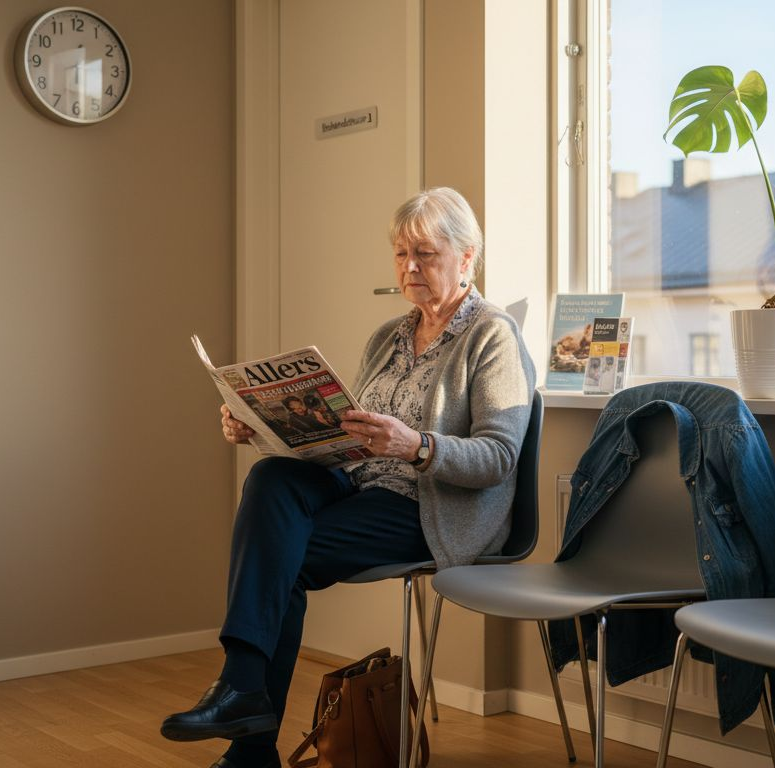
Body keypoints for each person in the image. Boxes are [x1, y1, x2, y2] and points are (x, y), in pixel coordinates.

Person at [160, 187, 537, 768]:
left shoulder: (494, 337)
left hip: (429, 505)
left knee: (278, 560)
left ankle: (247, 733)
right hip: (361, 481)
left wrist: (416, 445)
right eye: (401, 253)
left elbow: (497, 458)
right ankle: (243, 702)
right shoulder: (388, 335)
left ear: (467, 259)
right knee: (270, 478)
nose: (410, 267)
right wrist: (260, 428)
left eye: (427, 254)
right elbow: (346, 436)